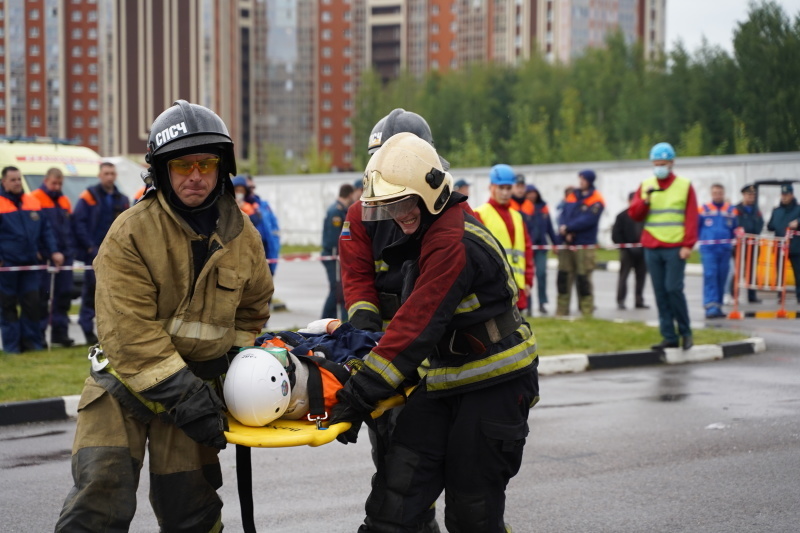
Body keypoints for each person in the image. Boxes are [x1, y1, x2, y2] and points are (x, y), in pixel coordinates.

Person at [54, 100, 273, 531]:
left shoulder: (243, 236)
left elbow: (253, 309)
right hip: (123, 388)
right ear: (160, 172)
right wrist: (190, 396)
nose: (195, 176)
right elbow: (128, 332)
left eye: (206, 164)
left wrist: (236, 370)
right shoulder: (131, 232)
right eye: (181, 165)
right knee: (99, 497)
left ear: (221, 167)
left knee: (192, 511)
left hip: (196, 391)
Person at [330, 132, 539, 533]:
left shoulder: (451, 240)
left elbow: (415, 325)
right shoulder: (427, 231)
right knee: (394, 504)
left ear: (431, 192)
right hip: (443, 381)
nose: (399, 215)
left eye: (405, 203)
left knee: (472, 516)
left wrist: (359, 394)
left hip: (494, 385)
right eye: (390, 207)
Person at [629, 142, 698, 350]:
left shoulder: (684, 186)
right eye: (656, 163)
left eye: (663, 163)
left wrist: (688, 244)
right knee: (660, 292)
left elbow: (692, 217)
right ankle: (669, 336)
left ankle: (686, 332)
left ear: (671, 163)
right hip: (652, 246)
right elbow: (634, 213)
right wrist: (646, 200)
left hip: (676, 247)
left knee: (673, 289)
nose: (659, 167)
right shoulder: (646, 184)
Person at [0, 166, 63, 353]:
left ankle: (32, 345)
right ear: (4, 182)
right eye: (13, 180)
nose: (17, 183)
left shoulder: (32, 202)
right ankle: (12, 347)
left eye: (19, 179)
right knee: (8, 307)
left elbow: (46, 231)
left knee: (32, 305)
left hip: (30, 264)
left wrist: (53, 252)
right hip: (7, 266)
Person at [72, 161, 130, 345]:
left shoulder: (121, 198)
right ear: (100, 175)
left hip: (114, 253)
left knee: (115, 294)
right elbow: (79, 222)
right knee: (91, 292)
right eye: (106, 173)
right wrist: (89, 247)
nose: (110, 176)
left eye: (112, 173)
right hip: (93, 251)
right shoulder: (89, 196)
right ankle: (86, 328)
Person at [474, 164, 534, 314]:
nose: (505, 192)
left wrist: (528, 280)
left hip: (517, 286)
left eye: (508, 188)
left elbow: (526, 249)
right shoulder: (480, 214)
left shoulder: (517, 216)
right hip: (494, 288)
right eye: (501, 188)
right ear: (491, 187)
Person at [31, 168, 77, 347]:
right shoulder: (35, 198)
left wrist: (69, 250)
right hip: (45, 255)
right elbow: (35, 229)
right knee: (43, 297)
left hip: (65, 254)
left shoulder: (64, 200)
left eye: (59, 184)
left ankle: (60, 333)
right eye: (53, 183)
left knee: (64, 295)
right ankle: (40, 335)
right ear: (46, 180)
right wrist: (43, 251)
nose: (56, 187)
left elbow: (69, 227)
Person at [555, 170, 604, 317]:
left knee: (583, 280)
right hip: (567, 243)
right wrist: (565, 230)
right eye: (580, 178)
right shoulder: (572, 195)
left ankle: (586, 312)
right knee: (563, 278)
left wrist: (570, 229)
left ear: (590, 181)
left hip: (584, 244)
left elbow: (588, 220)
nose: (580, 181)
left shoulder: (596, 199)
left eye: (583, 179)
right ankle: (561, 312)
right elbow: (562, 214)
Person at [698, 184, 739, 319]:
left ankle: (719, 306)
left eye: (720, 193)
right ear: (711, 194)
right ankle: (710, 306)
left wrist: (737, 234)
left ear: (723, 193)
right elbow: (697, 227)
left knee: (722, 277)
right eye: (715, 193)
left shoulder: (731, 210)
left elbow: (735, 228)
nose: (718, 195)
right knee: (710, 276)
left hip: (725, 249)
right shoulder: (704, 209)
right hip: (709, 250)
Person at [321, 183, 355, 320]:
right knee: (336, 290)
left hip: (336, 255)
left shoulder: (340, 210)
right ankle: (326, 319)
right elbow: (335, 238)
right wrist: (340, 255)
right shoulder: (336, 211)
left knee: (338, 289)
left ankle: (331, 320)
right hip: (334, 255)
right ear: (349, 194)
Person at [611, 192, 649, 310]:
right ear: (629, 201)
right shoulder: (621, 216)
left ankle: (639, 300)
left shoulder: (645, 216)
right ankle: (620, 300)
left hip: (642, 251)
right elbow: (616, 235)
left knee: (641, 276)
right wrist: (627, 247)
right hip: (627, 252)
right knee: (624, 276)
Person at [524, 184, 557, 315]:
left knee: (542, 274)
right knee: (528, 277)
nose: (532, 195)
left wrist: (555, 243)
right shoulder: (523, 208)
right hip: (528, 247)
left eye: (534, 192)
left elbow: (549, 227)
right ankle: (528, 304)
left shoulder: (543, 207)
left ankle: (542, 303)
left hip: (541, 247)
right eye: (529, 193)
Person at [766, 183, 800, 303]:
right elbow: (770, 226)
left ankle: (799, 296)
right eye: (783, 194)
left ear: (792, 195)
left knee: (798, 273)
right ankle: (781, 295)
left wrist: (798, 223)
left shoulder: (798, 209)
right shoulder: (776, 211)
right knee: (780, 273)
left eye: (787, 194)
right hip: (780, 247)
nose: (784, 197)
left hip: (796, 247)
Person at [733, 184, 764, 303]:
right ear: (744, 195)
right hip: (740, 245)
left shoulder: (756, 211)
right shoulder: (737, 209)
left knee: (751, 271)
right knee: (737, 271)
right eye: (749, 195)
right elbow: (736, 224)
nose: (751, 197)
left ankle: (752, 296)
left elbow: (760, 224)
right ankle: (734, 295)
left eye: (753, 195)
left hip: (753, 245)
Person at [246, 174, 281, 276]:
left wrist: (275, 251)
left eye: (253, 187)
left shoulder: (263, 206)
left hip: (268, 253)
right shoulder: (240, 206)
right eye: (248, 188)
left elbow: (275, 230)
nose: (251, 190)